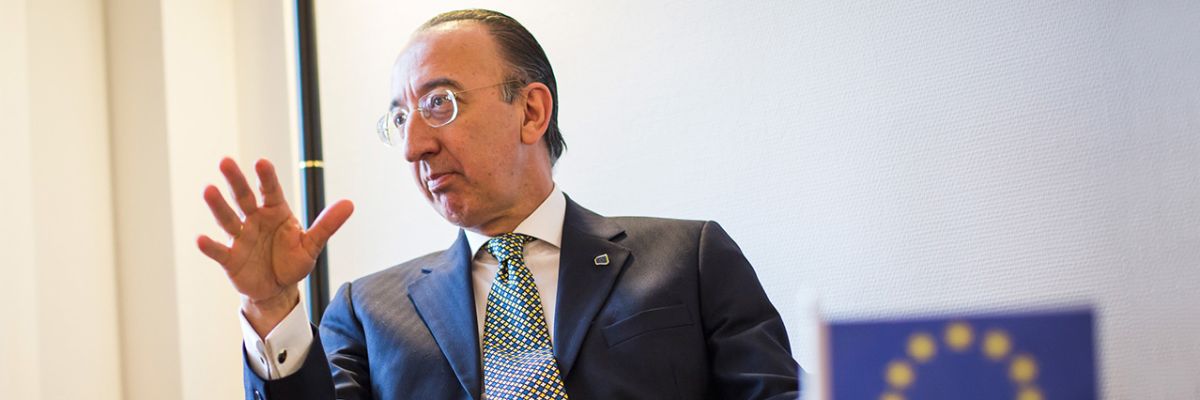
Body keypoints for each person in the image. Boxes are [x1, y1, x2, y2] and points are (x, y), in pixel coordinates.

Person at [198, 9, 799, 400]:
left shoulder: (689, 260)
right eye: (400, 119)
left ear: (531, 111)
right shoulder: (367, 311)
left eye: (439, 103)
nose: (413, 146)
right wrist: (272, 308)